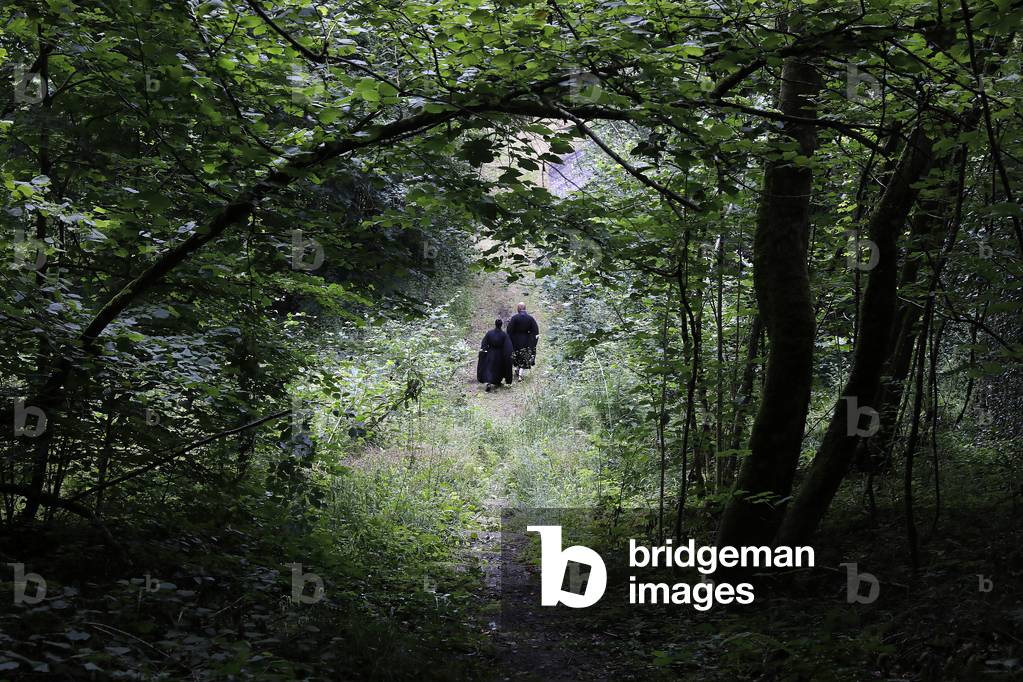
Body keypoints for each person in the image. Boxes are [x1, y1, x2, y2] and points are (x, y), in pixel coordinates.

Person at [476, 318, 514, 392]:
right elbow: (508, 347)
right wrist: (508, 355)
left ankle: (489, 382)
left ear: (495, 324)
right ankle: (496, 381)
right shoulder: (504, 335)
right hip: (500, 354)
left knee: (489, 368)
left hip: (490, 353)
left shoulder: (489, 333)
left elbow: (484, 343)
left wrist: (483, 352)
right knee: (498, 369)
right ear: (501, 325)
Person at [506, 302, 539, 381]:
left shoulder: (514, 318)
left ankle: (517, 370)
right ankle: (520, 374)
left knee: (517, 355)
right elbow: (535, 331)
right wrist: (533, 340)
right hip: (526, 339)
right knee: (524, 356)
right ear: (525, 308)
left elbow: (509, 330)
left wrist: (508, 340)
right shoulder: (530, 318)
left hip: (515, 340)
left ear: (518, 309)